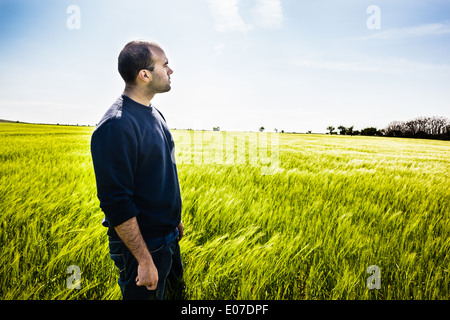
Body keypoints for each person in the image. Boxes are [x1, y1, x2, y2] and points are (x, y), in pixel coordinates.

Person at [90, 40, 185, 300]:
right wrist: (143, 259)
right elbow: (116, 202)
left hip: (167, 239)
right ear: (144, 75)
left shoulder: (155, 114)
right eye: (164, 64)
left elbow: (160, 173)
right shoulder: (116, 125)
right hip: (143, 247)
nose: (170, 70)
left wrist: (173, 218)